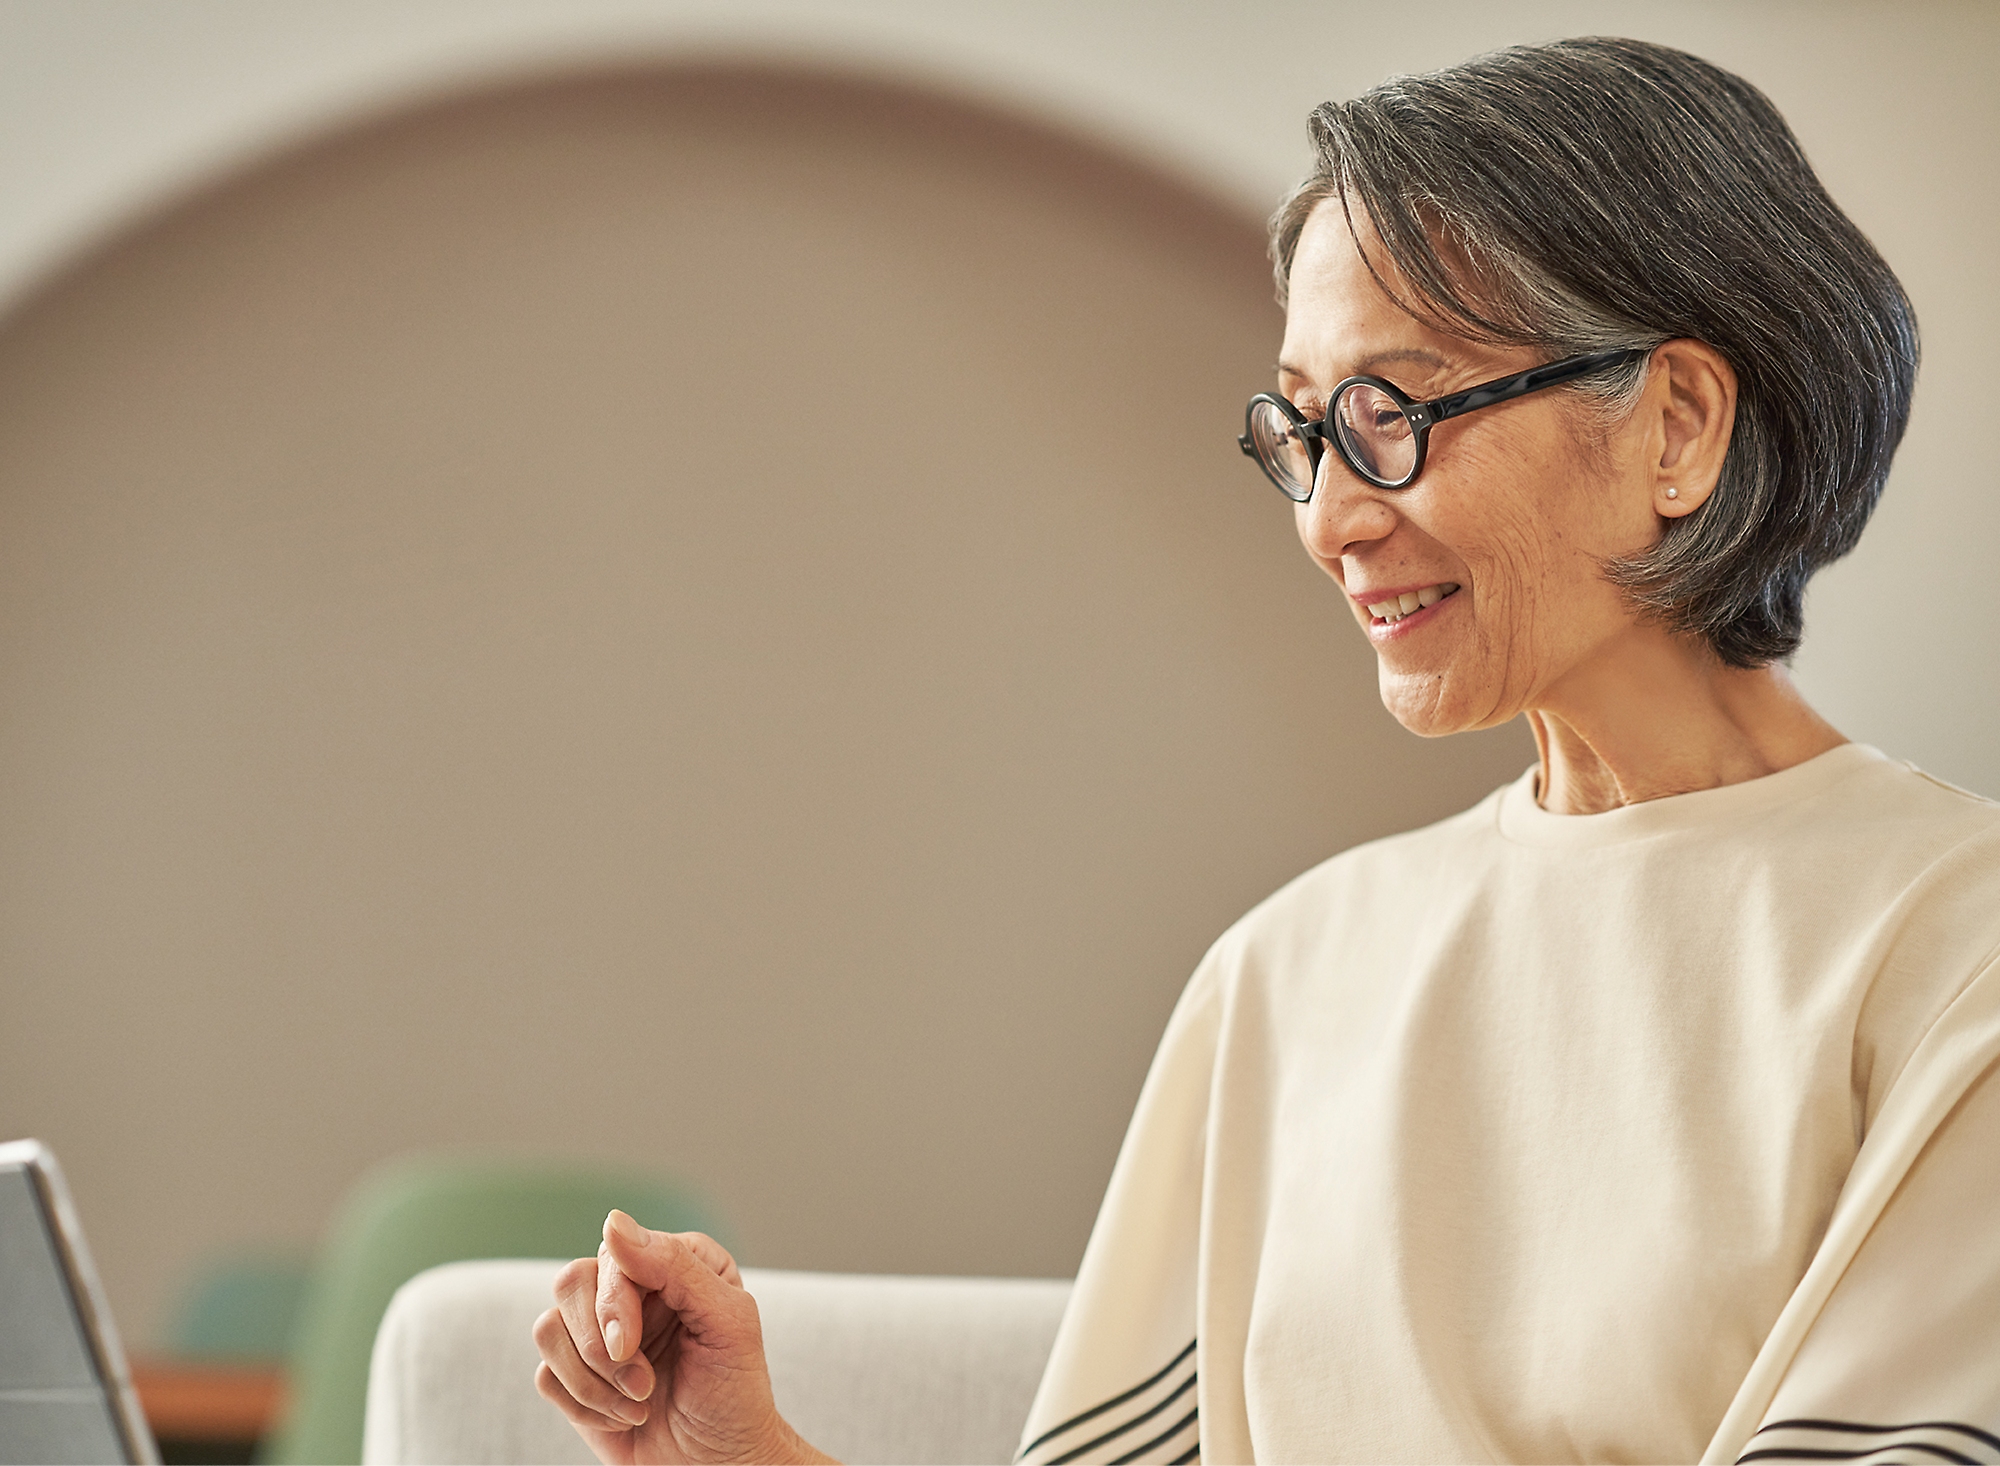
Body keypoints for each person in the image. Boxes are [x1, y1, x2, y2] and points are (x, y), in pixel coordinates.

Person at [530, 37, 2000, 1465]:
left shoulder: (1955, 949)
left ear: (1676, 423)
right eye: (1303, 430)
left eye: (1396, 414)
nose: (1329, 516)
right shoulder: (1284, 976)